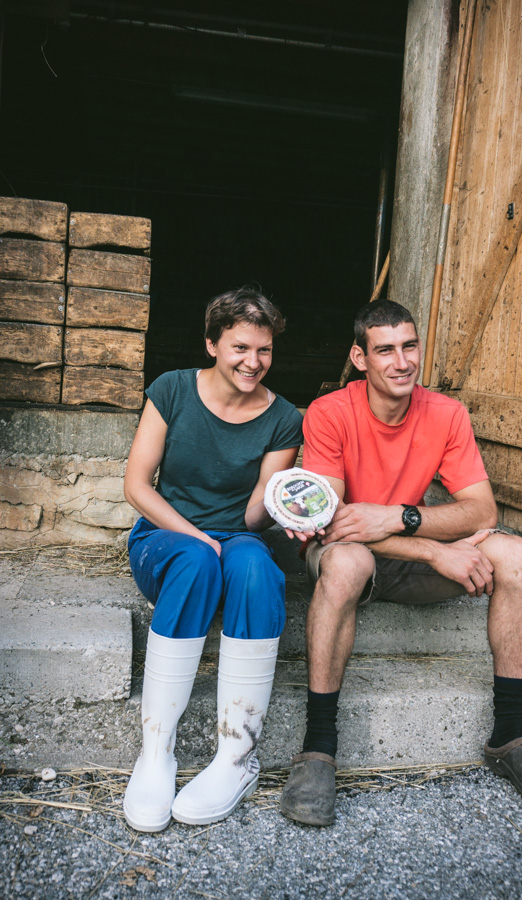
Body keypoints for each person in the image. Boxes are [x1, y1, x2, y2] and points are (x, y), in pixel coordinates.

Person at [280, 299, 522, 827]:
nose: (401, 362)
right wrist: (435, 550)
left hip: (400, 545)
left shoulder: (446, 413)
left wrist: (400, 517)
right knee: (346, 563)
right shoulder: (329, 412)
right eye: (385, 350)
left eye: (409, 346)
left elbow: (482, 511)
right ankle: (318, 747)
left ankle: (511, 733)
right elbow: (333, 524)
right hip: (352, 555)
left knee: (515, 554)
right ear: (360, 358)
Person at [122, 286, 303, 833]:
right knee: (198, 561)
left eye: (264, 350)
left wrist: (288, 504)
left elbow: (252, 516)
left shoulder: (284, 417)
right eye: (240, 347)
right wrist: (199, 538)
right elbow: (137, 486)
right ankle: (156, 752)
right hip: (166, 538)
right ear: (212, 344)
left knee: (254, 566)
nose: (253, 361)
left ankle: (236, 759)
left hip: (236, 540)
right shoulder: (172, 389)